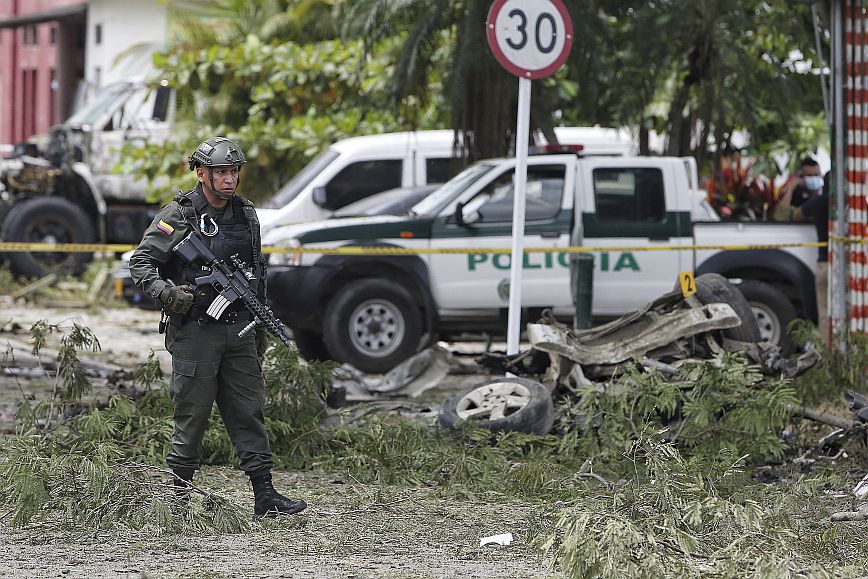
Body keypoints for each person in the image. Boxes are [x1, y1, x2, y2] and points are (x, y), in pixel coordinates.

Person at [129, 136, 307, 517]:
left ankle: (265, 496)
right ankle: (177, 503)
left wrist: (258, 327)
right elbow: (141, 262)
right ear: (201, 173)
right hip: (196, 332)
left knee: (249, 411)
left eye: (233, 172)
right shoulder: (180, 214)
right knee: (191, 414)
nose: (229, 180)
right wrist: (169, 294)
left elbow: (256, 274)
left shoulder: (246, 215)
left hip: (239, 328)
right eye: (221, 172)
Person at [793, 171, 830, 345]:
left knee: (824, 315)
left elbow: (797, 215)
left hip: (824, 264)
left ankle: (828, 353)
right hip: (850, 267)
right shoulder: (854, 203)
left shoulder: (819, 201)